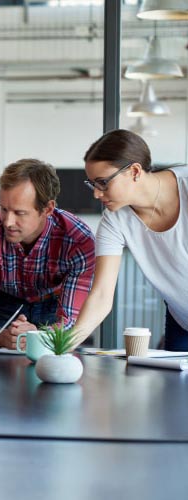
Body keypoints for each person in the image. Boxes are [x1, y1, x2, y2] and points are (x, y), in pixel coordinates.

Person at [0, 159, 96, 349]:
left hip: (53, 307)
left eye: (19, 213)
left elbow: (72, 323)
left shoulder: (79, 241)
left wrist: (38, 337)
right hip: (0, 306)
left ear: (47, 209)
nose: (7, 222)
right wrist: (0, 337)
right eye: (3, 209)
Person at [70, 129, 188, 351]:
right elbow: (101, 295)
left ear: (134, 171)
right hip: (182, 319)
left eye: (103, 182)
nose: (96, 193)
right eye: (92, 184)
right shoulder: (114, 220)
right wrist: (65, 344)